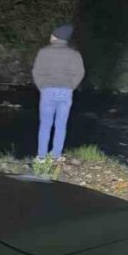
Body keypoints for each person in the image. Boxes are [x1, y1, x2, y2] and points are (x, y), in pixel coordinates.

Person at [32, 23, 84, 161]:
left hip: (47, 91)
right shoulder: (74, 54)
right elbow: (80, 73)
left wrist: (42, 87)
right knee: (61, 125)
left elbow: (36, 72)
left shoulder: (43, 52)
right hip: (66, 91)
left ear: (55, 37)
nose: (50, 36)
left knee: (45, 125)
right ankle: (56, 155)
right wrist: (71, 86)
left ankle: (41, 157)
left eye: (52, 34)